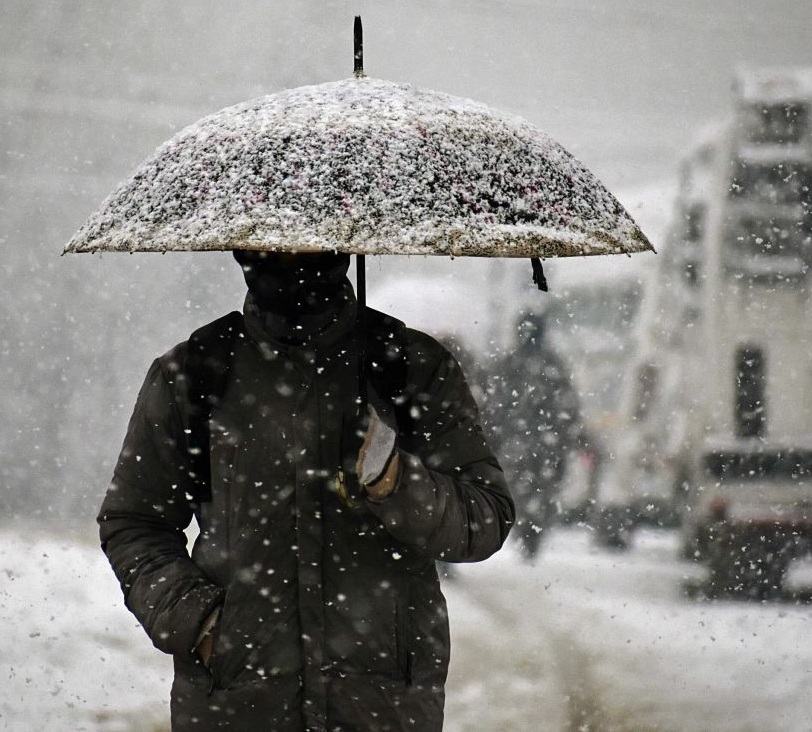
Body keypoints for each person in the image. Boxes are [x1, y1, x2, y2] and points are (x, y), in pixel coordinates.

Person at [98, 250, 514, 731]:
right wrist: (202, 622)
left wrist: (397, 482)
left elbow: (485, 518)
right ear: (243, 247)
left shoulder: (410, 368)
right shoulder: (196, 373)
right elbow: (134, 522)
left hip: (382, 707)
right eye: (271, 244)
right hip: (237, 706)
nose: (293, 259)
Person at [484, 311, 587, 560]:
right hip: (542, 443)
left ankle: (527, 529)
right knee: (539, 491)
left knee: (522, 489)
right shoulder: (553, 366)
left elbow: (493, 406)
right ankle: (531, 531)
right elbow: (567, 406)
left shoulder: (508, 365)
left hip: (520, 442)